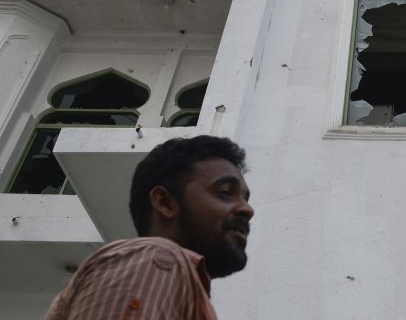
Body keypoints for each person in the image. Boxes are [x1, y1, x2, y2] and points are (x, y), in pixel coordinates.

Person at [45, 135, 254, 319]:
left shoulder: (177, 282)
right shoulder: (158, 260)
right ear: (165, 202)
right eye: (226, 192)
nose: (247, 209)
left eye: (245, 198)